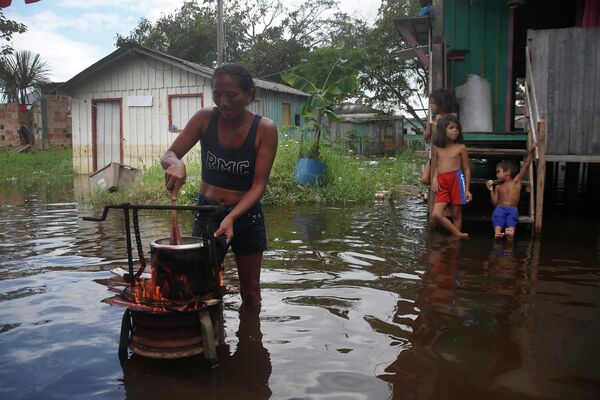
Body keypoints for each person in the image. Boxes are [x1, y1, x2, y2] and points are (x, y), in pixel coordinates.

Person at [161, 63, 278, 306]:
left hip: (246, 216)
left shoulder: (264, 129)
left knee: (251, 292)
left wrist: (233, 217)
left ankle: (250, 341)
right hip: (208, 214)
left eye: (231, 95)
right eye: (217, 94)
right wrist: (176, 164)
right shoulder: (205, 118)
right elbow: (169, 154)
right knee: (201, 287)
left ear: (249, 95)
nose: (223, 102)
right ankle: (214, 339)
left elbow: (258, 185)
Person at [430, 115, 472, 238]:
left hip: (457, 179)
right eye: (451, 128)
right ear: (443, 130)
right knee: (436, 214)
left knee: (456, 213)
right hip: (442, 180)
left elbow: (467, 169)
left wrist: (467, 189)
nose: (455, 130)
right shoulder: (437, 148)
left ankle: (455, 241)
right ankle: (458, 234)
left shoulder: (461, 148)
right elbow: (436, 166)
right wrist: (434, 179)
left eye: (457, 128)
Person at [485, 145, 536, 239]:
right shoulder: (498, 187)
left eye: (498, 172)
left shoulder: (516, 182)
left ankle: (510, 233)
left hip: (512, 209)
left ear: (507, 172)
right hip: (500, 208)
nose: (496, 174)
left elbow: (525, 167)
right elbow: (494, 203)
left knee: (511, 222)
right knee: (498, 218)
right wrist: (491, 190)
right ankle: (497, 233)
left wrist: (531, 153)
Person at [420, 89, 455, 185]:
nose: (430, 106)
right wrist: (431, 125)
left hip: (445, 154)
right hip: (434, 154)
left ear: (441, 103)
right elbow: (426, 136)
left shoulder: (451, 118)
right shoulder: (432, 119)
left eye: (433, 103)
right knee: (424, 179)